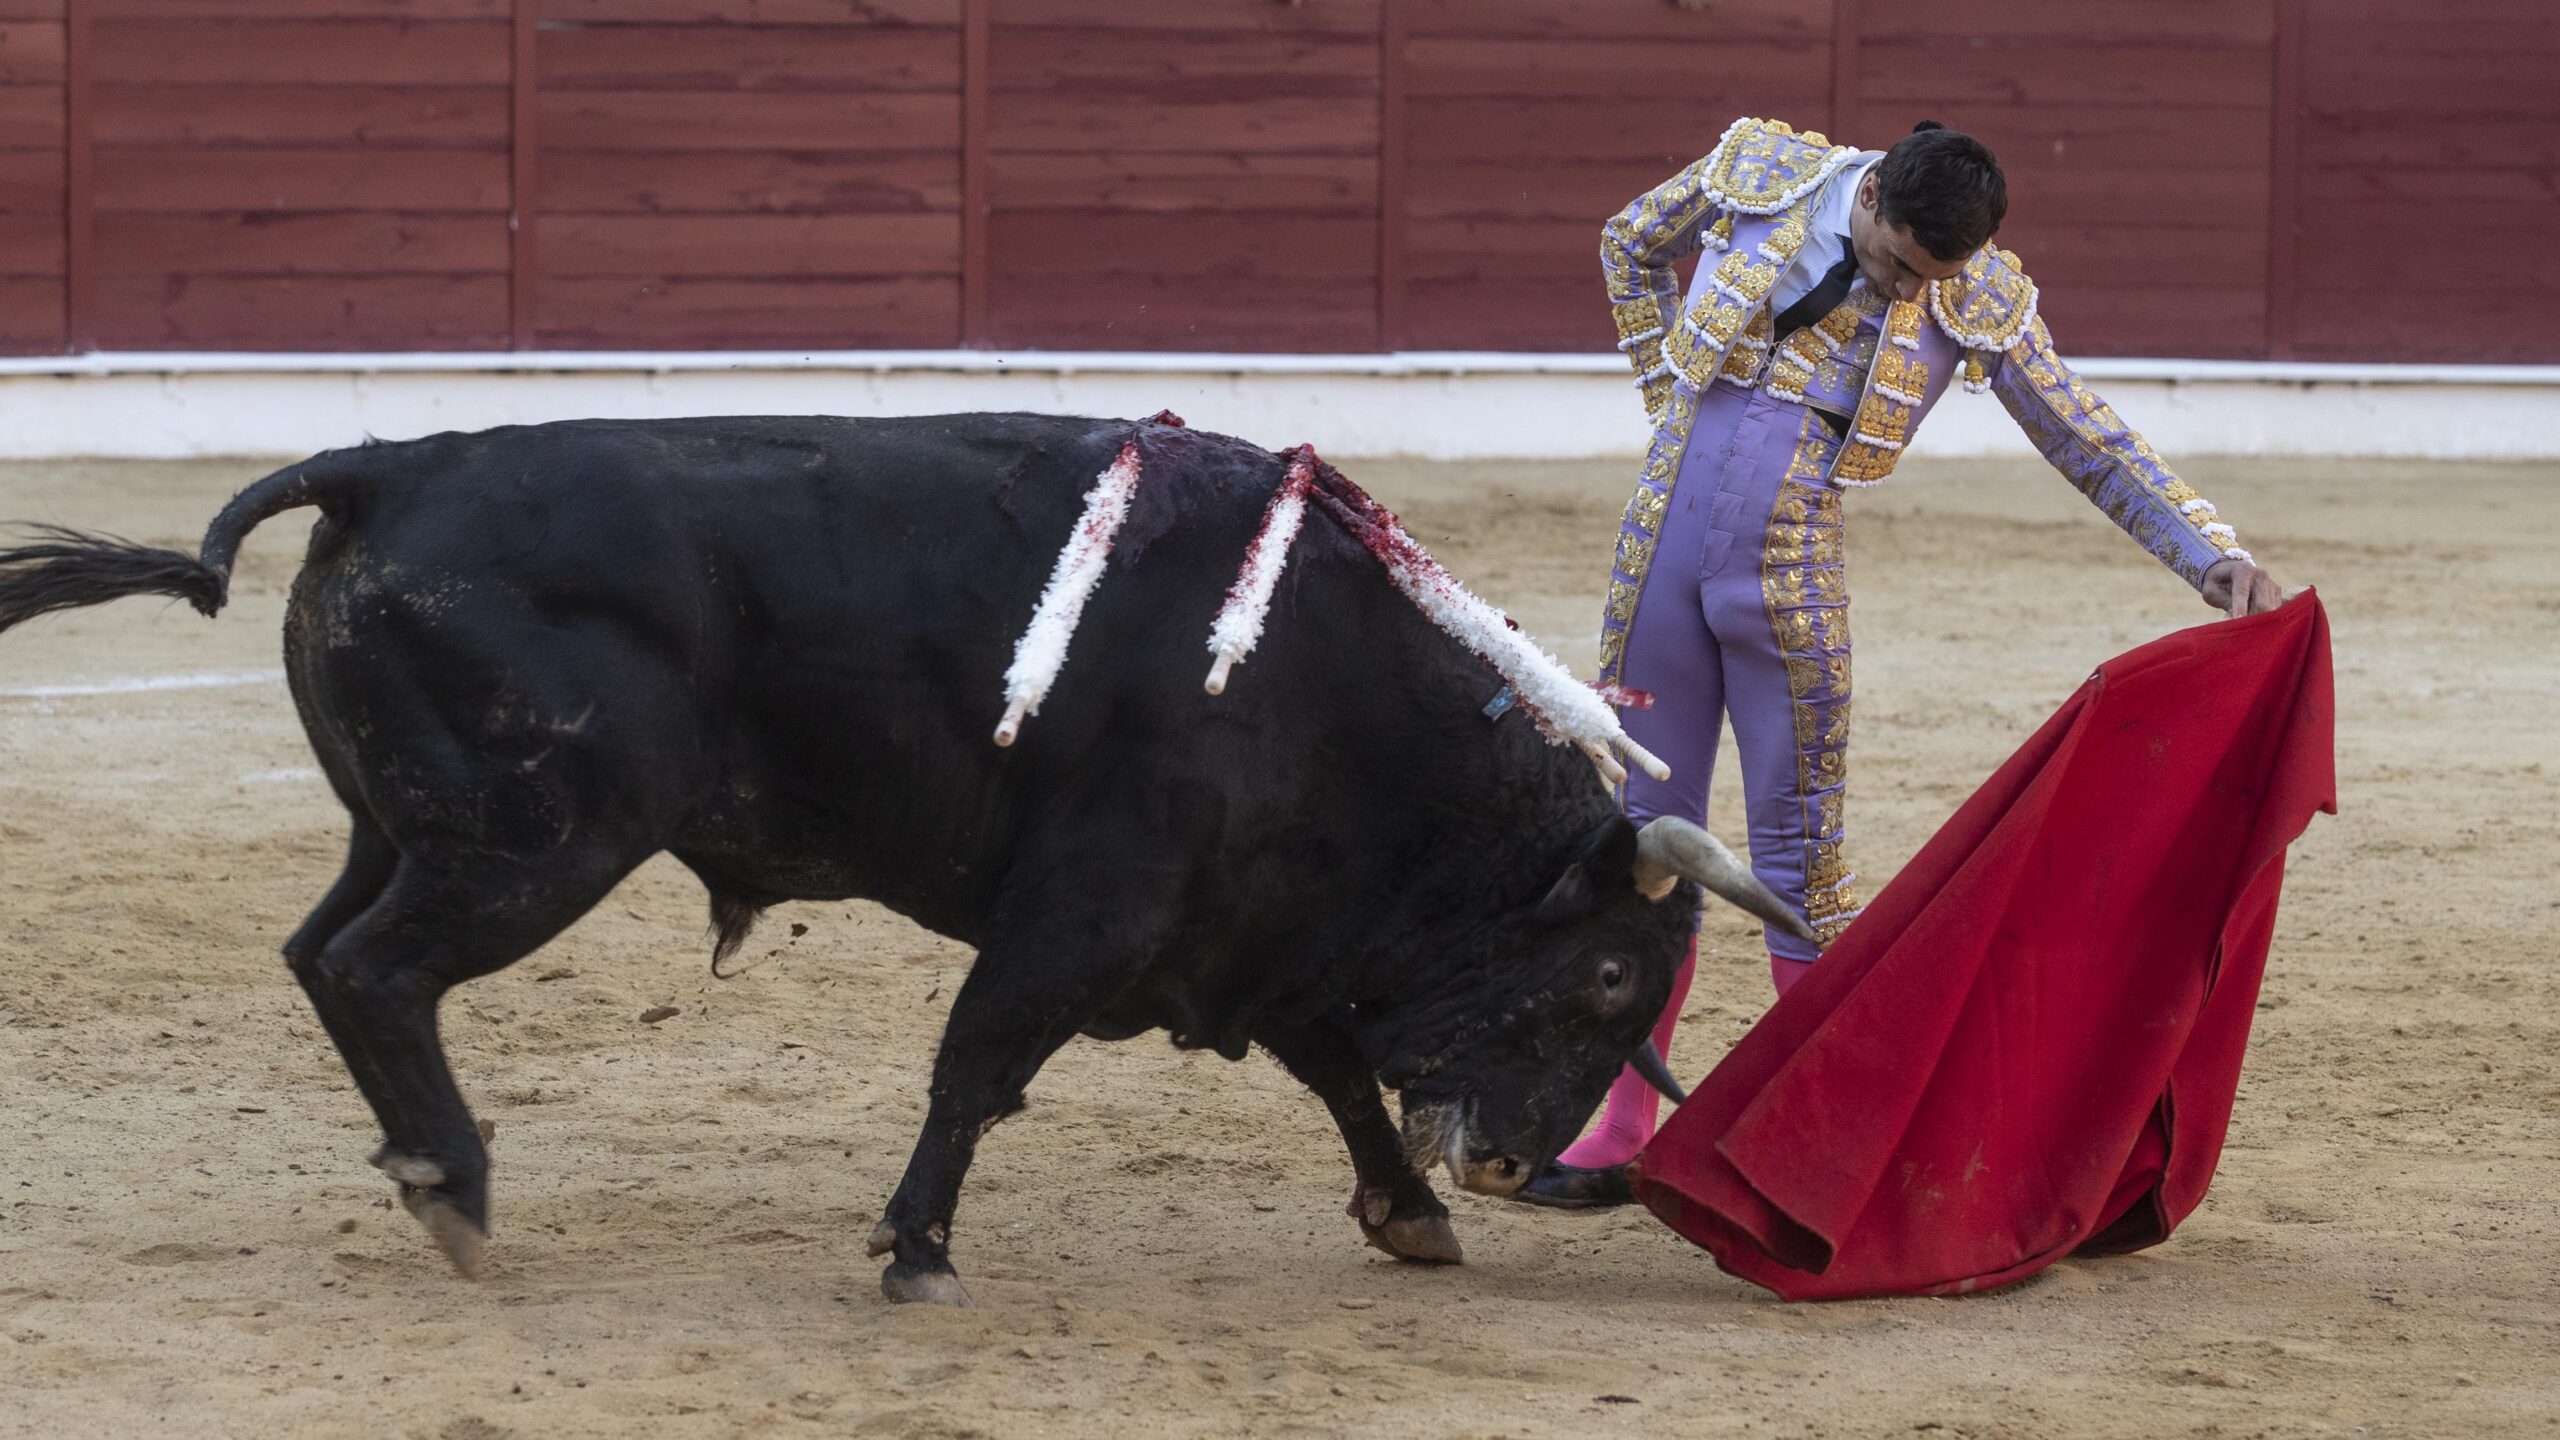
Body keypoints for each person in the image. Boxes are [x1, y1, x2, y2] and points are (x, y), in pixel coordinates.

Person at [1521, 117, 2289, 1209]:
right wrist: (1662, 384)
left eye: (1927, 283)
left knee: (1799, 869)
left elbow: (2082, 432)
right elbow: (1627, 242)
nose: (1899, 297)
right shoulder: (1760, 174)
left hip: (1787, 592)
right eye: (1892, 267)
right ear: (1871, 193)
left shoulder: (1971, 294)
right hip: (1656, 569)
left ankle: (1799, 1145)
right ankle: (1618, 1124)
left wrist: (2209, 552)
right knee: (1642, 845)